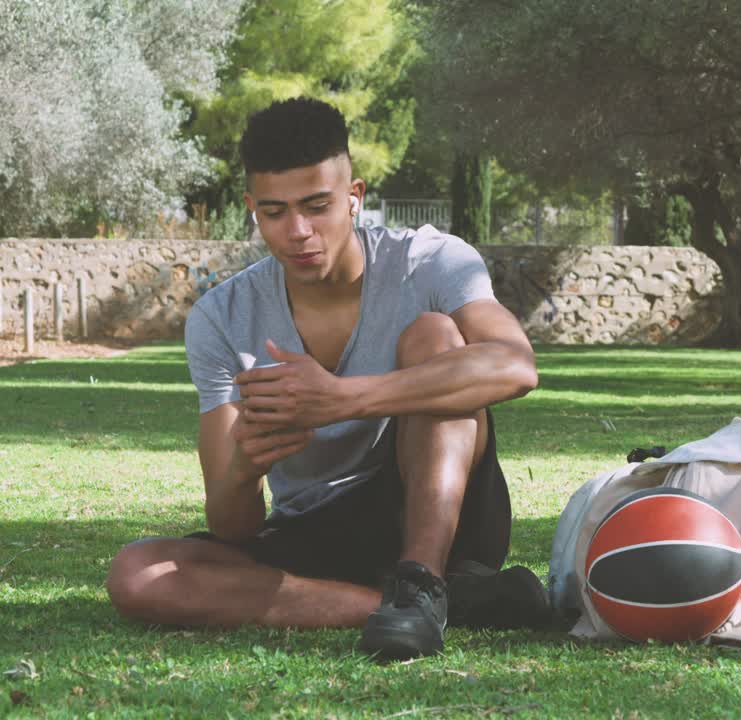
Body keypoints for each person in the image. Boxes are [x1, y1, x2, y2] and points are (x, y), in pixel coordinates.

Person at [105, 97, 547, 660]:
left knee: (434, 335)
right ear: (252, 209)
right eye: (274, 212)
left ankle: (422, 579)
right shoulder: (222, 317)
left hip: (439, 511)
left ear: (354, 196)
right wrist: (243, 470)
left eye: (317, 206)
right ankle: (437, 605)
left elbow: (515, 365)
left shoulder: (430, 261)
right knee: (138, 574)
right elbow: (232, 525)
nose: (298, 231)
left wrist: (341, 399)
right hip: (315, 534)